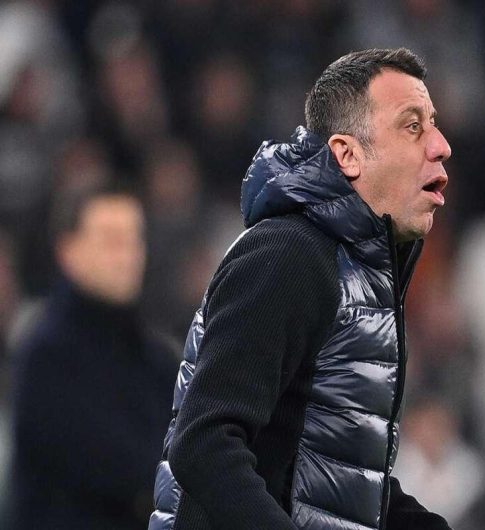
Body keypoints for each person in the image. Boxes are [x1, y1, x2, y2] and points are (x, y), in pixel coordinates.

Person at [150, 48, 453, 530]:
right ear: (347, 154)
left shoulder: (359, 272)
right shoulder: (288, 253)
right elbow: (205, 443)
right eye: (412, 126)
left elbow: (343, 486)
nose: (440, 145)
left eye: (433, 124)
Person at [9, 186, 178, 530]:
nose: (127, 256)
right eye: (111, 241)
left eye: (134, 240)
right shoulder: (44, 356)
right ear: (67, 250)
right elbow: (121, 468)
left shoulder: (156, 358)